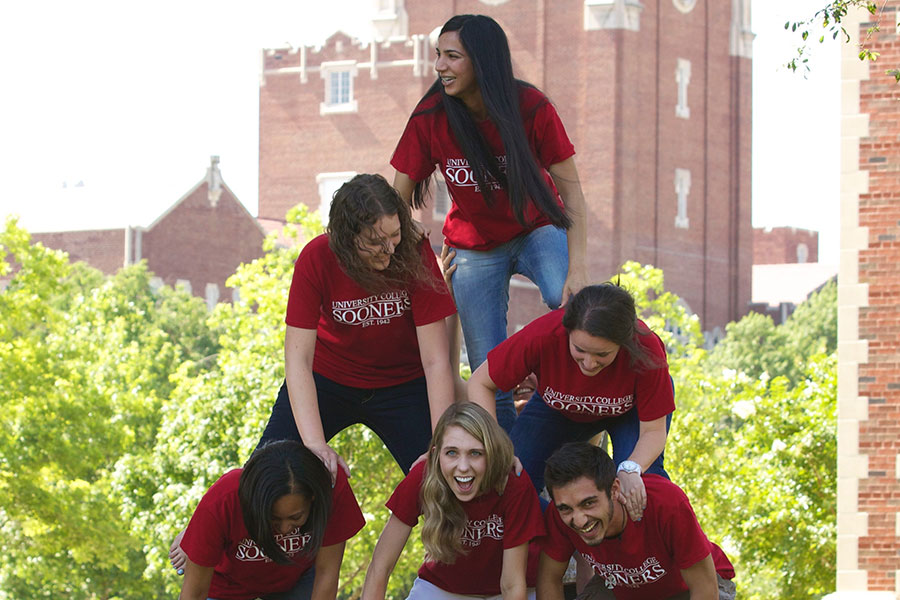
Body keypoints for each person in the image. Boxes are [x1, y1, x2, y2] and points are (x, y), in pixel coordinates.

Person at [391, 14, 589, 432]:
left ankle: (569, 404)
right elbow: (396, 202)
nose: (439, 66)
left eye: (452, 56)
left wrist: (580, 267)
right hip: (474, 246)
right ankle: (503, 456)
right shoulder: (430, 116)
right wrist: (420, 263)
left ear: (482, 62)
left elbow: (572, 194)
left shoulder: (531, 108)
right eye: (438, 56)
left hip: (536, 228)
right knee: (487, 364)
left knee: (568, 299)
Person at [258, 173, 458, 479]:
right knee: (265, 474)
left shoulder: (414, 254)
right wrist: (314, 444)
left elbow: (435, 361)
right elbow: (297, 360)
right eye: (375, 242)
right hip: (329, 381)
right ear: (347, 238)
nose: (389, 249)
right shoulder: (316, 258)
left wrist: (442, 444)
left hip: (403, 385)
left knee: (445, 475)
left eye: (395, 234)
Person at [468, 284, 673, 519]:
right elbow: (480, 383)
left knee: (641, 488)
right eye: (580, 350)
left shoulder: (646, 348)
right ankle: (562, 539)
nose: (589, 363)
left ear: (624, 343)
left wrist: (631, 468)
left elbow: (654, 431)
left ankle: (644, 553)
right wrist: (496, 447)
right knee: (510, 480)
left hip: (628, 412)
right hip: (557, 409)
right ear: (566, 331)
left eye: (602, 355)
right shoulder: (543, 334)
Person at [362, 403, 545, 600]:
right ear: (435, 454)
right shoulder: (422, 477)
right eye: (451, 453)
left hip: (506, 591)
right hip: (442, 588)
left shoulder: (513, 481)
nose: (463, 467)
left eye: (475, 453)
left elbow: (512, 584)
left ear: (492, 453)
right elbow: (380, 568)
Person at [537, 442, 736, 600]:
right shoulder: (559, 514)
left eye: (589, 503)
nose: (579, 520)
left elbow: (705, 591)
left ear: (614, 490)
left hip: (693, 586)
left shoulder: (664, 503)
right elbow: (549, 579)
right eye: (566, 509)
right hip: (622, 588)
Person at [178, 440, 365, 600]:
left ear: (313, 498)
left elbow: (327, 573)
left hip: (297, 580)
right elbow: (194, 593)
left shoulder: (331, 488)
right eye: (274, 519)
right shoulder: (224, 498)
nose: (284, 529)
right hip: (229, 585)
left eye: (295, 517)